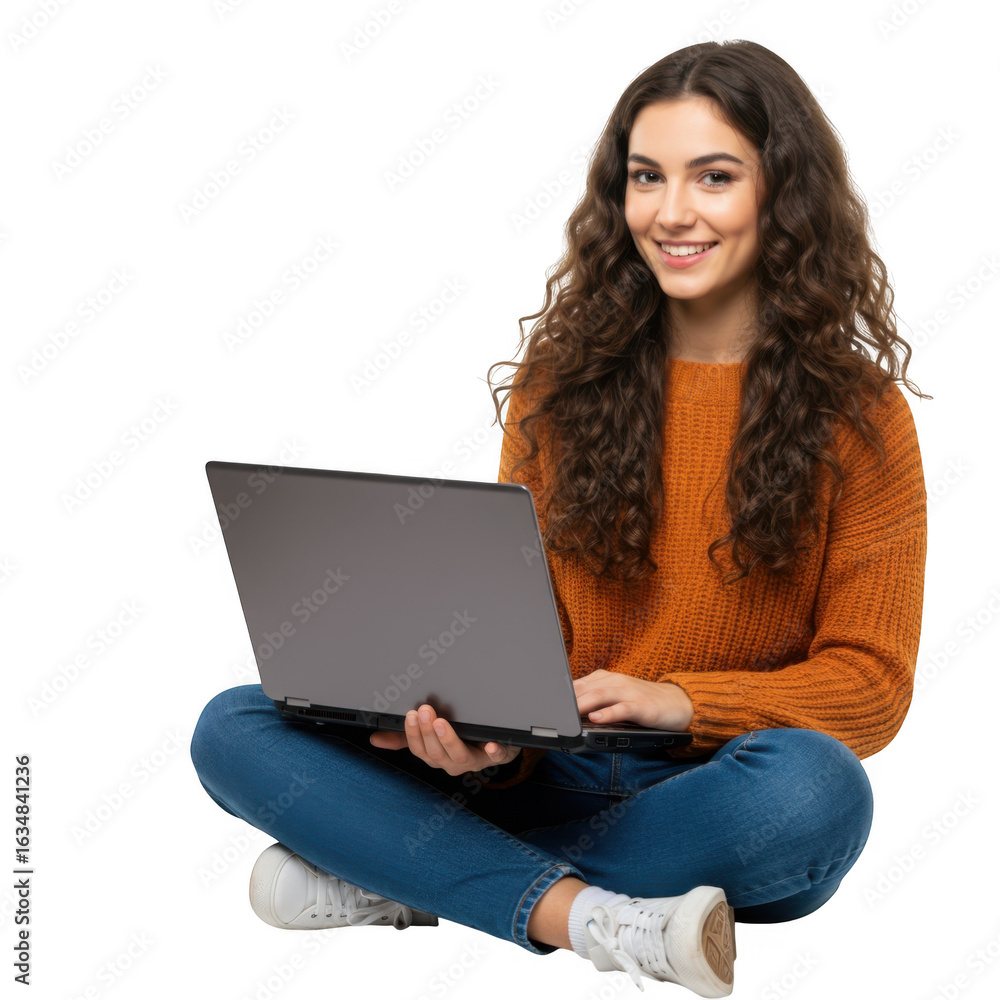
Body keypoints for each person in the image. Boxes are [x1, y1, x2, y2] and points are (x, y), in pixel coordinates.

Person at [190, 39, 928, 998]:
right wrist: (479, 746)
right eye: (646, 178)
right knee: (235, 725)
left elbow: (871, 684)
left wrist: (686, 702)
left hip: (713, 790)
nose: (672, 213)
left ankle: (413, 875)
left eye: (714, 177)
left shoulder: (860, 414)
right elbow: (525, 635)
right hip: (546, 773)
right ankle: (585, 916)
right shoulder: (562, 385)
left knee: (818, 795)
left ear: (782, 193)